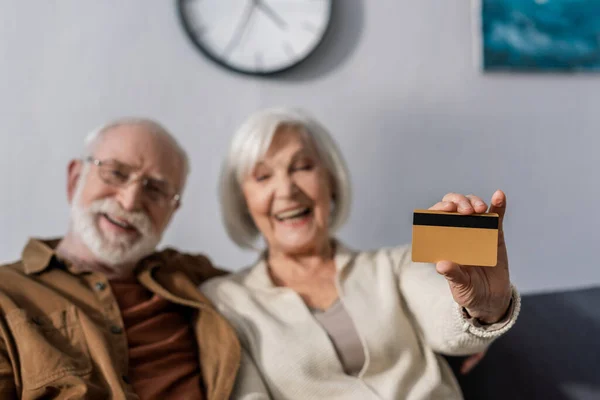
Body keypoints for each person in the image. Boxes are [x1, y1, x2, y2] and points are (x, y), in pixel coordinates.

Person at [201, 108, 521, 400]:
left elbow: (451, 325)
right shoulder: (224, 301)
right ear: (242, 200)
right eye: (262, 176)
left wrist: (482, 307)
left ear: (332, 182)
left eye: (302, 167)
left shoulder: (395, 265)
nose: (286, 190)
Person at [0, 118, 241, 399]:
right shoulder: (7, 295)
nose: (129, 202)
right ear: (75, 178)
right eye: (115, 173)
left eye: (155, 189)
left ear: (172, 212)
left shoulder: (192, 278)